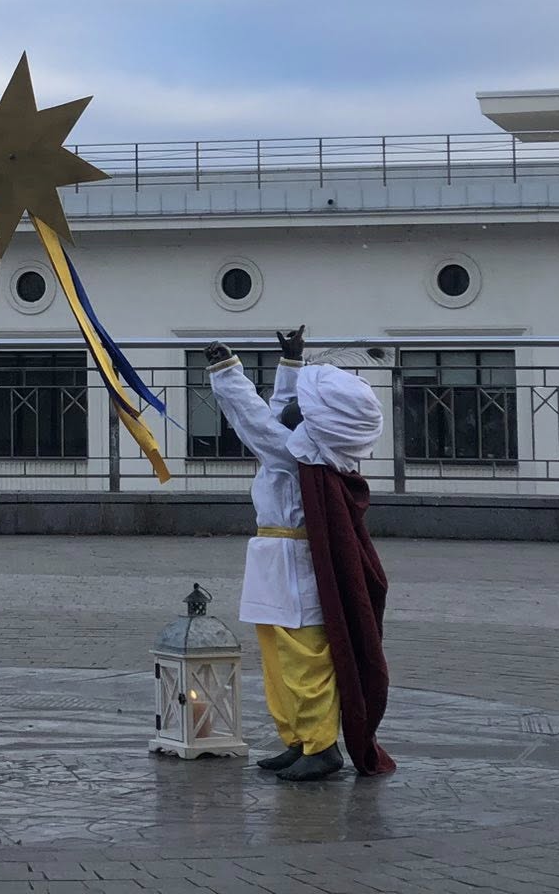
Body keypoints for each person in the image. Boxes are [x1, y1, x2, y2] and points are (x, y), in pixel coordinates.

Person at [205, 328, 396, 781]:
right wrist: (291, 363)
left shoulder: (297, 457)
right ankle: (297, 739)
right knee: (277, 658)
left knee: (302, 660)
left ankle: (320, 745)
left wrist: (226, 370)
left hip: (291, 565)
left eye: (302, 405)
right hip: (275, 558)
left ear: (318, 422)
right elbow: (275, 419)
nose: (292, 407)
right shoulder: (308, 450)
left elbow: (256, 422)